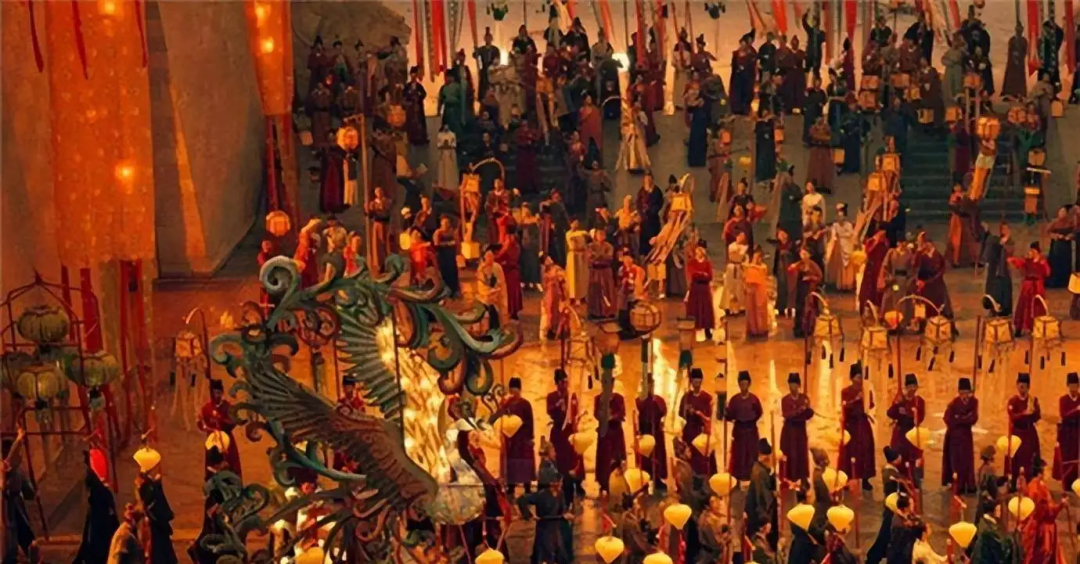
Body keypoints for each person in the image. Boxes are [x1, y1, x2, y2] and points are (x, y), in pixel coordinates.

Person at [457, 429, 508, 553]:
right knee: (478, 536)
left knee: (490, 535)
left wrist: (495, 483)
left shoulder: (473, 458)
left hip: (487, 505)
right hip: (479, 506)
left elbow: (486, 478)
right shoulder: (467, 460)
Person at [75, 448, 119, 564]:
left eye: (88, 470)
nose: (86, 474)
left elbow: (106, 529)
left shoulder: (101, 496)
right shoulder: (95, 497)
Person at [517, 470, 571, 564]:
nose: (561, 484)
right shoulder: (541, 495)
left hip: (555, 529)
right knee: (545, 553)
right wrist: (529, 515)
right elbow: (521, 500)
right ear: (552, 483)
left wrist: (565, 515)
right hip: (544, 529)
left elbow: (562, 510)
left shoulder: (560, 494)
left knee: (561, 554)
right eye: (559, 482)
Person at [135, 447, 177, 564]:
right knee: (158, 550)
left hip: (153, 522)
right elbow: (154, 504)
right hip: (155, 524)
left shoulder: (145, 483)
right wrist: (157, 485)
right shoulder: (148, 486)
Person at [865, 447, 905, 564]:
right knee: (885, 536)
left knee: (886, 536)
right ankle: (872, 558)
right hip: (892, 509)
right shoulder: (891, 475)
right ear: (894, 460)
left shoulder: (890, 471)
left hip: (892, 508)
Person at [1021, 456, 1064, 564]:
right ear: (1040, 472)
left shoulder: (1036, 486)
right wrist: (1061, 505)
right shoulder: (1037, 489)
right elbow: (1048, 513)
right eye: (1047, 470)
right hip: (1042, 530)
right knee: (1041, 556)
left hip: (1036, 527)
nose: (1049, 473)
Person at [197, 379, 241, 481]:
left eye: (219, 393)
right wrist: (199, 421)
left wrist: (221, 420)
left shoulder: (227, 407)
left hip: (226, 441)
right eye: (215, 393)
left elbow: (233, 422)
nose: (217, 395)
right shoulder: (207, 408)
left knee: (229, 465)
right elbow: (203, 425)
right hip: (213, 443)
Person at [840, 363, 876, 490]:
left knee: (865, 450)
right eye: (857, 377)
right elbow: (844, 406)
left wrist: (866, 401)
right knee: (850, 451)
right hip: (851, 426)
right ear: (852, 378)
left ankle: (865, 478)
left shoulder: (866, 391)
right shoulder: (845, 391)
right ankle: (847, 478)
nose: (859, 380)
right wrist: (856, 399)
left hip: (863, 424)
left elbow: (870, 405)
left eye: (861, 377)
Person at [498, 377, 535, 498]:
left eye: (515, 389)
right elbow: (502, 418)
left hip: (523, 438)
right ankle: (511, 486)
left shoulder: (525, 404)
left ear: (519, 389)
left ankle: (527, 486)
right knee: (512, 462)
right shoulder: (507, 404)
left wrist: (530, 437)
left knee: (525, 463)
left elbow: (530, 422)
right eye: (512, 389)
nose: (513, 392)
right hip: (512, 439)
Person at [2, 430, 34, 564]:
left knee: (19, 533)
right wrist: (19, 438)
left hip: (13, 504)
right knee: (13, 534)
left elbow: (29, 492)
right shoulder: (9, 469)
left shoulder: (14, 470)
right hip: (9, 505)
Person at [942, 377, 978, 494]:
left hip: (966, 436)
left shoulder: (974, 402)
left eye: (966, 393)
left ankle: (969, 483)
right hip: (954, 437)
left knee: (967, 460)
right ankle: (958, 484)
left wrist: (959, 418)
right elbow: (948, 419)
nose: (964, 396)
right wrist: (964, 419)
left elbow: (973, 418)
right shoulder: (953, 404)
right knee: (956, 461)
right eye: (962, 393)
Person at [679, 369, 716, 480]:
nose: (697, 383)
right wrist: (686, 411)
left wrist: (700, 414)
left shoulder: (707, 398)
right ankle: (690, 482)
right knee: (689, 459)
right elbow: (681, 415)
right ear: (691, 381)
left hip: (701, 432)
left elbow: (708, 419)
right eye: (694, 381)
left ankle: (703, 482)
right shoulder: (686, 397)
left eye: (699, 381)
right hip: (689, 432)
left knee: (702, 461)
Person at [726, 371, 763, 482]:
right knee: (739, 456)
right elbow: (730, 416)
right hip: (739, 431)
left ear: (749, 384)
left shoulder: (754, 399)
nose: (743, 386)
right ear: (739, 384)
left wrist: (750, 421)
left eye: (745, 383)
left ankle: (752, 479)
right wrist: (724, 410)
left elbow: (759, 413)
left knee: (751, 455)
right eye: (741, 383)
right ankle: (738, 480)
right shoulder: (734, 400)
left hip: (751, 431)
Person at [1008, 373, 1042, 488]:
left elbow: (1037, 417)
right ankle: (1015, 484)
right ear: (1017, 386)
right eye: (1020, 385)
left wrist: (1033, 412)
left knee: (1028, 459)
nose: (1022, 388)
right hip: (1017, 433)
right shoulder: (1013, 401)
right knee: (1016, 459)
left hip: (1028, 433)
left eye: (1024, 386)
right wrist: (1023, 414)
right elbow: (1012, 417)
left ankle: (1028, 484)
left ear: (1028, 387)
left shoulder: (1033, 400)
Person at [1009, 242, 1050, 335]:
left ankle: (1035, 327)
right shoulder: (1028, 260)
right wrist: (1013, 260)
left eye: (1032, 250)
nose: (1030, 252)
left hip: (1037, 286)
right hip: (1027, 286)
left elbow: (1047, 273)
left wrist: (1041, 265)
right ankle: (1019, 328)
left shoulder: (1042, 261)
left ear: (1036, 251)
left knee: (1037, 306)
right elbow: (1020, 263)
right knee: (1023, 306)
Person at [636, 374, 669, 491]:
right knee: (646, 459)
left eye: (650, 385)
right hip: (645, 432)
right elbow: (638, 413)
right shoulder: (639, 400)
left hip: (656, 432)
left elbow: (663, 412)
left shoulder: (659, 400)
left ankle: (657, 479)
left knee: (657, 456)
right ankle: (644, 480)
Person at [594, 383, 627, 494]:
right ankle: (604, 484)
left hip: (616, 433)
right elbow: (596, 414)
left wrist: (612, 416)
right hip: (604, 433)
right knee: (604, 460)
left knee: (617, 458)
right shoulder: (598, 399)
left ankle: (617, 484)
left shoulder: (619, 398)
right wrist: (603, 416)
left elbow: (622, 413)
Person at [745, 439, 778, 550]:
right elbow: (762, 497)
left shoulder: (758, 469)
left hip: (756, 517)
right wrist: (765, 521)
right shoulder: (760, 473)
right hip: (758, 521)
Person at [780, 373, 813, 483]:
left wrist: (808, 409)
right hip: (789, 431)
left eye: (795, 384)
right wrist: (800, 410)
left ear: (799, 385)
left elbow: (808, 416)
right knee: (790, 454)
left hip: (800, 430)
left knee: (801, 454)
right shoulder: (785, 400)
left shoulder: (804, 398)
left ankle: (803, 479)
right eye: (791, 384)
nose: (793, 387)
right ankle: (788, 479)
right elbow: (787, 415)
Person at [914, 235, 955, 321]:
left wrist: (934, 278)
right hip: (925, 282)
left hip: (936, 283)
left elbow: (942, 268)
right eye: (924, 243)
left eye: (927, 243)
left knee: (939, 302)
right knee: (925, 304)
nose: (926, 245)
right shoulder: (921, 255)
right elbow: (915, 266)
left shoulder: (936, 254)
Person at [331, 376, 366, 471]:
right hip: (343, 434)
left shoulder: (359, 404)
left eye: (349, 387)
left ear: (353, 388)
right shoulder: (340, 402)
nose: (347, 389)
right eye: (345, 387)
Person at [789, 246, 823, 338]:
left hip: (809, 289)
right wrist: (794, 268)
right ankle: (799, 329)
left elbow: (820, 277)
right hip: (800, 289)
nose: (802, 255)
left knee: (808, 309)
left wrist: (810, 278)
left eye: (804, 253)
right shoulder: (799, 264)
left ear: (809, 255)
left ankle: (808, 328)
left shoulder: (813, 265)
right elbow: (790, 271)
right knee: (799, 308)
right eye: (801, 253)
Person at [1053, 372, 1080, 489]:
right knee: (1067, 458)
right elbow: (1064, 415)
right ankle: (1066, 484)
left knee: (1076, 457)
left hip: (1077, 432)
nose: (1073, 388)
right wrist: (1076, 410)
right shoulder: (1063, 400)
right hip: (1067, 433)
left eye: (1075, 386)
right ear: (1068, 386)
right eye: (1071, 386)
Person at [983, 222, 1015, 318]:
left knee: (1005, 291)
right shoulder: (995, 240)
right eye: (1003, 229)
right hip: (994, 270)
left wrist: (1004, 244)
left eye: (1007, 229)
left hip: (1004, 270)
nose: (1005, 231)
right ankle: (993, 309)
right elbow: (990, 253)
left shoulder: (1010, 241)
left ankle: (1005, 310)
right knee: (994, 291)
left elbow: (1010, 251)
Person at [685, 244, 716, 340]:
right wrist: (702, 275)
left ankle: (707, 330)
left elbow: (709, 276)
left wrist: (701, 275)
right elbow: (693, 275)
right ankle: (692, 330)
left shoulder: (707, 263)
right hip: (695, 289)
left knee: (706, 310)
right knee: (694, 309)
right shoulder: (692, 263)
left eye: (700, 250)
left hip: (704, 289)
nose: (698, 252)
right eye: (697, 250)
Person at [825, 204, 856, 291]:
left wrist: (842, 235)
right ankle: (840, 283)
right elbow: (834, 235)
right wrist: (835, 240)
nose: (840, 218)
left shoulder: (848, 225)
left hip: (847, 244)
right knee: (840, 265)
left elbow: (851, 234)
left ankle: (848, 283)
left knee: (848, 265)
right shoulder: (835, 225)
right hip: (839, 246)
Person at [495, 226, 523, 320]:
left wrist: (493, 257)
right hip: (515, 270)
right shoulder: (517, 244)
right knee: (515, 291)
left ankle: (511, 311)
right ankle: (514, 311)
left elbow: (501, 255)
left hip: (508, 270)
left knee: (509, 292)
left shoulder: (508, 243)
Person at [477, 245, 508, 329]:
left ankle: (496, 328)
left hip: (497, 295)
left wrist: (496, 290)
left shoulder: (497, 267)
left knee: (496, 311)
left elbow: (501, 282)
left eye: (491, 256)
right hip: (486, 296)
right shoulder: (481, 269)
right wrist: (489, 292)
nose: (490, 258)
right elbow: (481, 285)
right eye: (488, 256)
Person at [744, 246, 770, 338]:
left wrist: (752, 265)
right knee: (751, 309)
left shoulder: (763, 267)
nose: (757, 258)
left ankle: (761, 329)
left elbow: (761, 270)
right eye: (755, 256)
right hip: (750, 289)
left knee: (760, 309)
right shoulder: (748, 266)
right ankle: (753, 329)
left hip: (760, 289)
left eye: (758, 256)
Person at [721, 232, 749, 316]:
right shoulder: (731, 246)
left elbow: (744, 257)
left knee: (739, 288)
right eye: (739, 236)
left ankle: (741, 307)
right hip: (731, 267)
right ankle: (727, 306)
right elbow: (733, 252)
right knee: (729, 287)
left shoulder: (745, 247)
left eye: (742, 237)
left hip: (739, 267)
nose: (740, 238)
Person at [637, 174, 664, 257]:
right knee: (644, 243)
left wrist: (650, 210)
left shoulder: (657, 191)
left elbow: (659, 204)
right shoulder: (642, 191)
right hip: (644, 222)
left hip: (653, 221)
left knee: (653, 242)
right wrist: (641, 213)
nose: (647, 181)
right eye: (646, 180)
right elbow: (638, 203)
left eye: (649, 179)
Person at [433, 217, 460, 297]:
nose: (446, 224)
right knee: (445, 273)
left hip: (451, 256)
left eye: (447, 222)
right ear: (441, 223)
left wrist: (458, 251)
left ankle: (454, 290)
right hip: (443, 256)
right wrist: (448, 244)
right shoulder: (438, 232)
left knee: (453, 273)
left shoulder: (452, 232)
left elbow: (457, 242)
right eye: (444, 223)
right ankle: (445, 291)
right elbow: (436, 244)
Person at [1048, 206, 1075, 288]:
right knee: (1056, 262)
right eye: (1061, 212)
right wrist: (1056, 236)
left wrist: (1070, 236)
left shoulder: (1070, 222)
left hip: (1066, 245)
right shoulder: (1054, 222)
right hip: (1057, 245)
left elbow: (1074, 231)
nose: (1062, 214)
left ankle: (1065, 281)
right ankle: (1056, 281)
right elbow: (1048, 232)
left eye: (1063, 212)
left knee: (1066, 262)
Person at [565, 221, 589, 306]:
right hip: (573, 255)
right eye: (574, 223)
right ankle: (572, 297)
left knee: (582, 276)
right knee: (572, 276)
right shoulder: (569, 233)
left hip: (581, 255)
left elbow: (587, 241)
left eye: (577, 223)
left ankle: (582, 296)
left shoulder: (582, 233)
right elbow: (572, 237)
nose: (575, 225)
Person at [686, 80, 710, 168]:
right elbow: (690, 107)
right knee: (696, 141)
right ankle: (695, 161)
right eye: (693, 89)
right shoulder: (692, 98)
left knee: (700, 141)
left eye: (697, 89)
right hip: (696, 123)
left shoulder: (702, 98)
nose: (695, 91)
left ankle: (699, 160)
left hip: (701, 122)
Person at [806, 116, 834, 189]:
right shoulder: (813, 128)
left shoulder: (826, 127)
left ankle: (825, 184)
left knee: (825, 167)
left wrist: (824, 138)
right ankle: (815, 183)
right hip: (816, 150)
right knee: (815, 168)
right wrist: (824, 138)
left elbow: (830, 137)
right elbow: (813, 136)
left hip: (824, 150)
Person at [754, 109, 778, 183]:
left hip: (769, 144)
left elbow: (772, 133)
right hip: (762, 144)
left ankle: (770, 175)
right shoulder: (759, 123)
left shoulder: (770, 122)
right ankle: (761, 177)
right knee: (762, 159)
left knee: (770, 158)